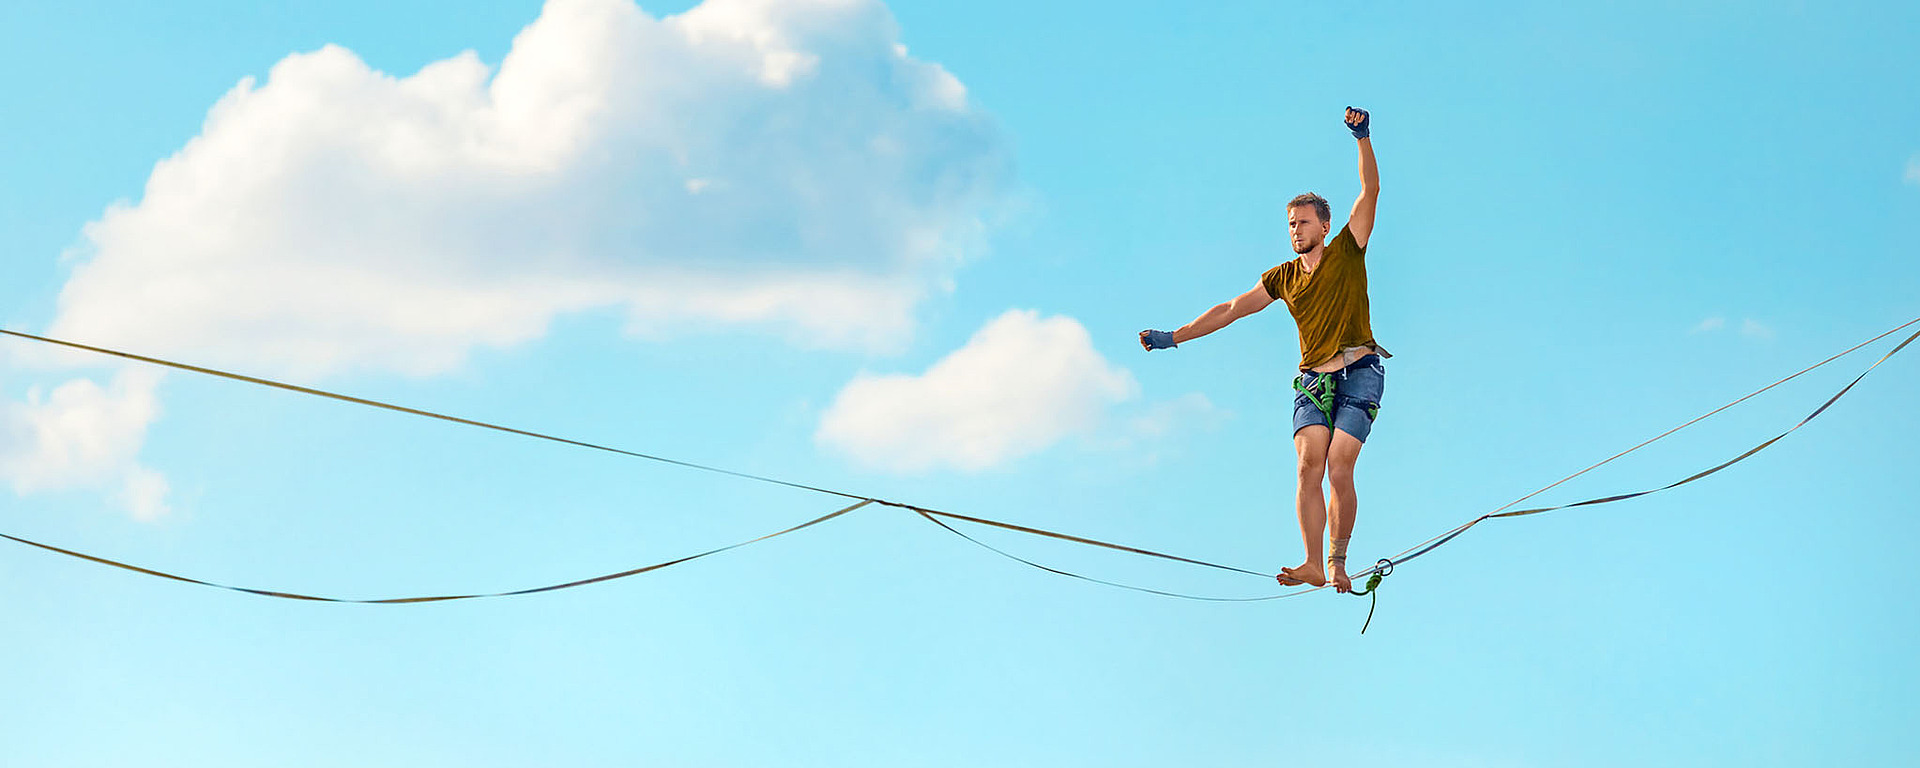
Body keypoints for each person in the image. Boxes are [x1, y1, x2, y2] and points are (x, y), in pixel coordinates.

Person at [1139, 106, 1385, 593]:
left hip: (1359, 370)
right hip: (1314, 381)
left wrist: (1362, 137)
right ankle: (1313, 563)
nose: (1295, 230)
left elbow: (1369, 192)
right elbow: (1231, 308)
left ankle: (1337, 561)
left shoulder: (1347, 250)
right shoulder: (1282, 278)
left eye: (1304, 222)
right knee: (1307, 465)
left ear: (1325, 224)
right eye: (1290, 224)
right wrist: (1175, 337)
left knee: (1338, 465)